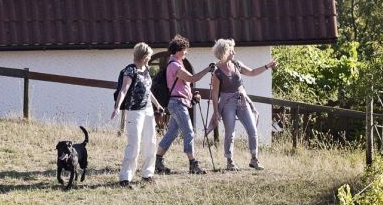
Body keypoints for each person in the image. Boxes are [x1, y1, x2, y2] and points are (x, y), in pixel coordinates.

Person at [207, 38, 276, 170]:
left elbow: (252, 72)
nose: (235, 53)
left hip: (242, 100)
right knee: (230, 133)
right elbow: (215, 94)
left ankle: (254, 159)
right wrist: (216, 112)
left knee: (252, 129)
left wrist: (267, 66)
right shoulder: (217, 72)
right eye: (232, 50)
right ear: (225, 52)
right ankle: (230, 161)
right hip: (227, 103)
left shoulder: (237, 64)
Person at [155, 35, 214, 175]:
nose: (186, 52)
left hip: (177, 102)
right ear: (177, 51)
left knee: (172, 134)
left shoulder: (176, 64)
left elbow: (183, 86)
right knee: (189, 132)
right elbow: (191, 78)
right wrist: (207, 69)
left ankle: (157, 161)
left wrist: (192, 96)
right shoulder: (175, 65)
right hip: (177, 103)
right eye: (184, 50)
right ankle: (193, 164)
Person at [112, 42, 163, 188]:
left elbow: (147, 90)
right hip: (134, 112)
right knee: (134, 144)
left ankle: (148, 174)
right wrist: (117, 107)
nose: (150, 58)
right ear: (145, 56)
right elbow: (124, 90)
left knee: (151, 142)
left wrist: (157, 104)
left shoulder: (146, 69)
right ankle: (125, 178)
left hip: (147, 110)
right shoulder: (130, 70)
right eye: (149, 56)